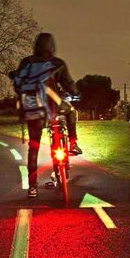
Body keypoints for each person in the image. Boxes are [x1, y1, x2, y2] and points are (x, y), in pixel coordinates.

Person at [10, 32, 82, 198]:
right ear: (52, 46)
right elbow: (69, 84)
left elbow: (17, 84)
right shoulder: (57, 63)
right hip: (52, 106)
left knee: (33, 147)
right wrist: (76, 93)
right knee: (71, 112)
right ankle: (72, 143)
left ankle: (33, 187)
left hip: (32, 109)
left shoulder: (26, 62)